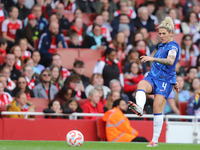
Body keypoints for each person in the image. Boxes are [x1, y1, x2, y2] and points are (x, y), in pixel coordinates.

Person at [128, 17, 180, 147]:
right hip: (153, 77)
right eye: (160, 33)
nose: (161, 36)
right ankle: (139, 107)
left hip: (164, 81)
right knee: (141, 85)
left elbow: (171, 61)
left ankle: (154, 141)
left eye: (164, 33)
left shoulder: (173, 46)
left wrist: (152, 58)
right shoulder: (162, 46)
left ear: (171, 34)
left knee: (157, 107)